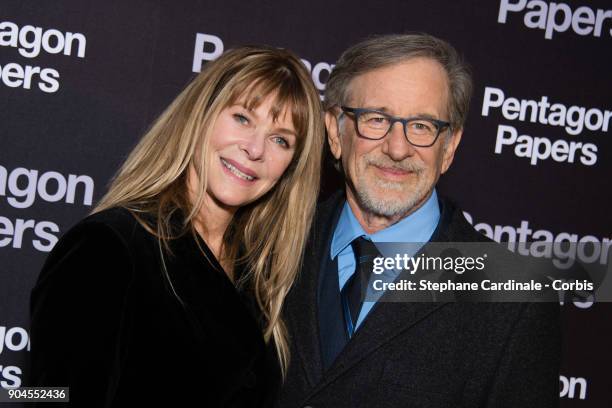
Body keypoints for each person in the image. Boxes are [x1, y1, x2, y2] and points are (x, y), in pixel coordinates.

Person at [29, 45, 324, 407]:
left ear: (291, 167)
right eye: (242, 118)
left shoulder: (262, 277)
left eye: (281, 139)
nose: (255, 148)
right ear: (200, 116)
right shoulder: (108, 245)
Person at [278, 34, 561, 407]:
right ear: (335, 131)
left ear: (450, 147)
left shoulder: (516, 296)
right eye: (376, 119)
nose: (398, 148)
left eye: (423, 126)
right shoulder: (272, 239)